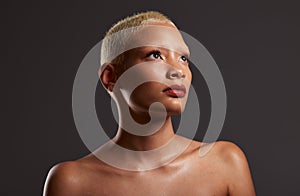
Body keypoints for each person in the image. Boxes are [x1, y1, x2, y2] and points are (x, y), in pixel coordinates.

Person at [43, 11, 256, 195]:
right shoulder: (71, 183)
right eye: (155, 55)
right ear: (110, 77)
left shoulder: (226, 164)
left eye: (183, 58)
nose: (178, 70)